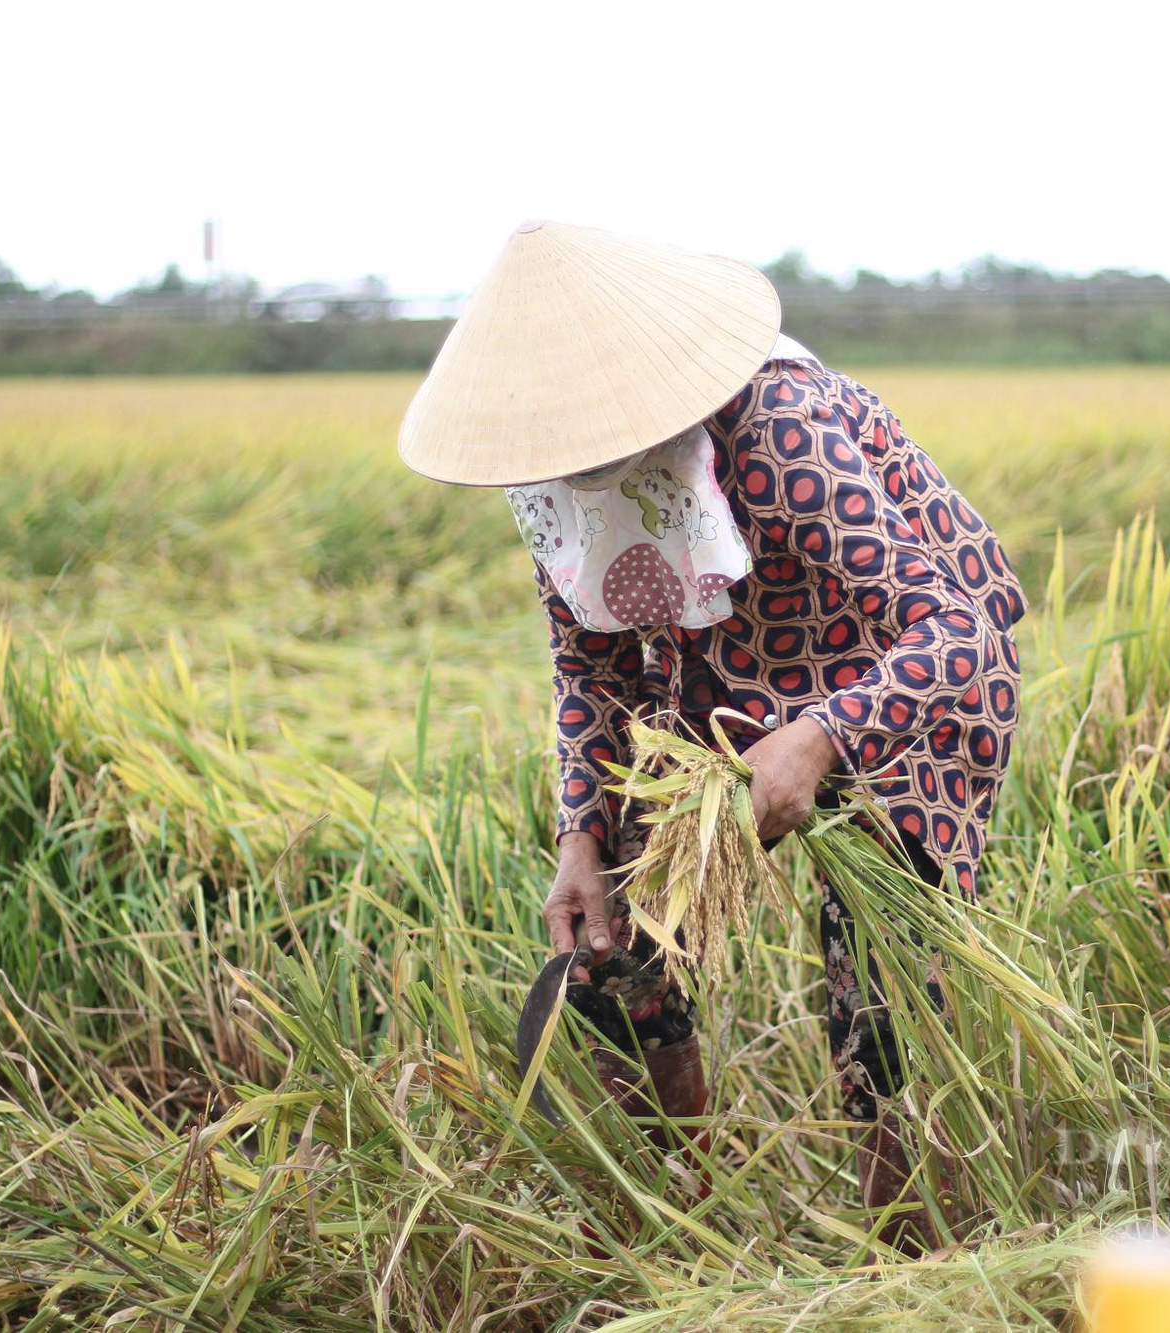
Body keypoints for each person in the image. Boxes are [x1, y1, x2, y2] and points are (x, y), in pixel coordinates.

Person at [398, 221, 1025, 1250]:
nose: (575, 459)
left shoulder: (779, 425)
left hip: (891, 680)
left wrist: (822, 736)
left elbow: (957, 625)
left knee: (874, 994)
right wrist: (579, 837)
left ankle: (908, 1259)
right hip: (715, 685)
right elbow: (589, 663)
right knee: (608, 954)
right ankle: (680, 1228)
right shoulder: (550, 481)